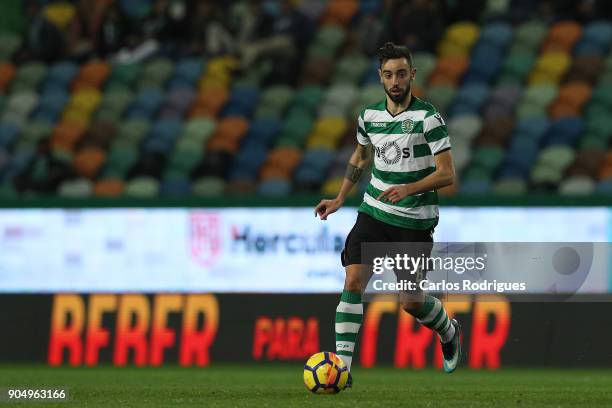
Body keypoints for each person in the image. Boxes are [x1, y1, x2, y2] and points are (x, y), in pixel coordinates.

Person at [314, 42, 461, 388]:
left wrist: (409, 188)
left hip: (414, 221)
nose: (395, 80)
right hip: (375, 212)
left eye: (401, 73)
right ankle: (342, 370)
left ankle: (448, 330)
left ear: (412, 74)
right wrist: (338, 199)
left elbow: (448, 173)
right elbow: (361, 158)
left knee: (410, 302)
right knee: (352, 281)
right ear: (380, 77)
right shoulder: (369, 117)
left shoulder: (428, 118)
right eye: (388, 74)